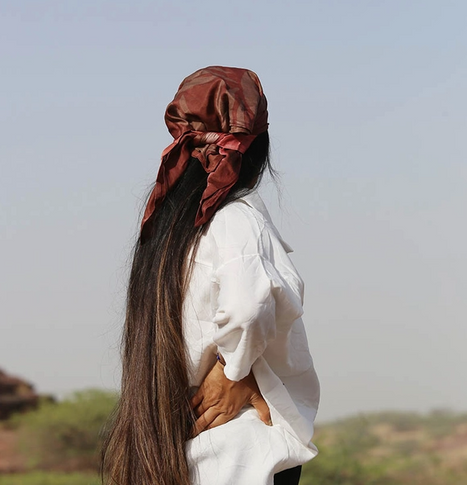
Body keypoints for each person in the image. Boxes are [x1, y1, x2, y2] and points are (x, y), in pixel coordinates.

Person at [101, 66, 320, 485]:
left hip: (182, 449)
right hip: (241, 445)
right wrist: (232, 369)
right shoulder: (237, 220)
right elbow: (249, 306)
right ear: (257, 151)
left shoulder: (164, 237)